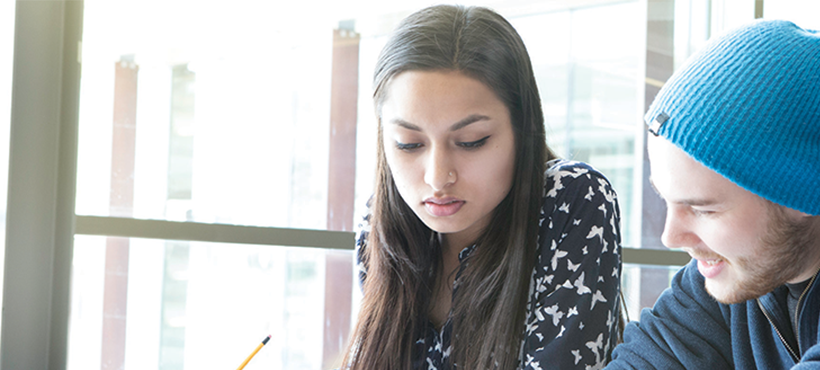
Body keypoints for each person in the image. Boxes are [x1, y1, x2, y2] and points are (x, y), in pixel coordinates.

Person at [341, 5, 622, 370]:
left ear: (522, 131)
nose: (437, 178)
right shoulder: (377, 225)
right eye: (409, 143)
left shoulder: (572, 201)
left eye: (472, 141)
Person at [606, 20, 820, 369]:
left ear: (800, 193)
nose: (670, 237)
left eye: (704, 210)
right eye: (666, 200)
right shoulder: (734, 273)